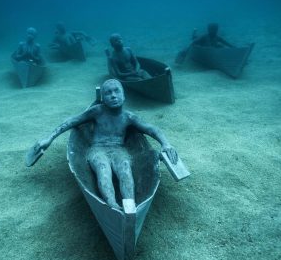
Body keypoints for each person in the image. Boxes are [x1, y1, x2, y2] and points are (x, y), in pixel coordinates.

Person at [28, 79, 178, 209]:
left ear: (124, 95)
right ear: (103, 98)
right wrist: (50, 138)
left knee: (125, 168)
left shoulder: (128, 117)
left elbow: (152, 129)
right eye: (108, 93)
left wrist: (166, 144)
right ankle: (112, 204)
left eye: (116, 91)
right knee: (103, 168)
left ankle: (130, 206)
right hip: (97, 149)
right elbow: (72, 121)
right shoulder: (97, 111)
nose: (113, 95)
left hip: (119, 149)